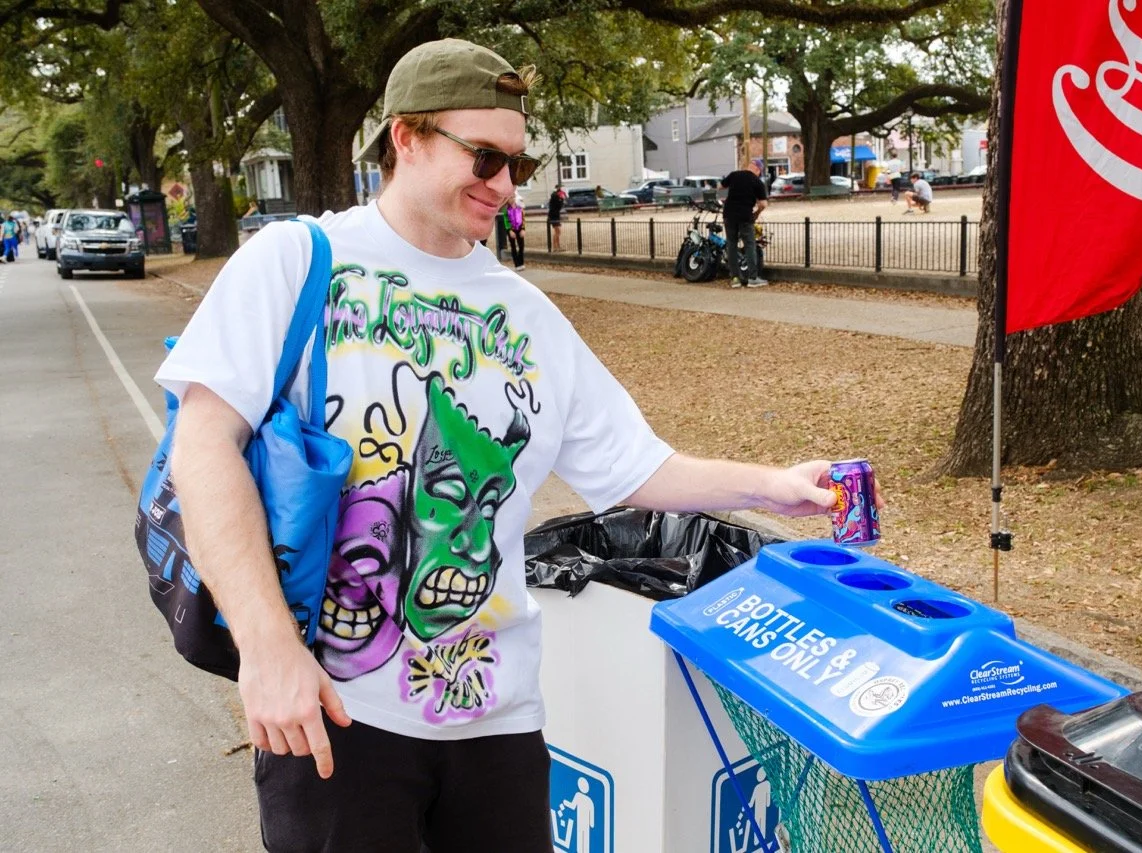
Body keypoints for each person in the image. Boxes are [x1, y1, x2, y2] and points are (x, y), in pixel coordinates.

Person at [155, 38, 850, 853]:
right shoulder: (296, 261)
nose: (505, 186)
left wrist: (772, 485)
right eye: (484, 157)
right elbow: (203, 448)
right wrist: (266, 649)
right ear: (405, 138)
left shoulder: (525, 312)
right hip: (337, 713)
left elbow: (635, 465)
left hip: (497, 722)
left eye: (520, 164)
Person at [719, 160, 769, 288]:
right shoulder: (758, 182)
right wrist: (757, 213)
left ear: (749, 166)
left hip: (729, 214)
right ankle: (752, 278)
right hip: (745, 216)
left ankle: (735, 278)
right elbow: (763, 204)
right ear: (758, 170)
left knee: (731, 244)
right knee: (749, 245)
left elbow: (721, 186)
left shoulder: (734, 175)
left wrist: (723, 200)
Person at [503, 191, 526, 271]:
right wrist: (509, 230)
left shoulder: (519, 206)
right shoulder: (506, 209)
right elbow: (506, 220)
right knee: (513, 247)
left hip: (519, 227)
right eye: (510, 197)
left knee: (521, 246)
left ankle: (521, 262)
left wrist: (523, 229)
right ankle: (517, 264)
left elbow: (523, 218)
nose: (512, 199)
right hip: (511, 229)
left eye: (513, 197)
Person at [548, 183, 565, 251]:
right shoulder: (555, 195)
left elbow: (559, 206)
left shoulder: (556, 195)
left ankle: (558, 247)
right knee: (557, 231)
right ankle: (555, 247)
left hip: (555, 215)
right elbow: (558, 205)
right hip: (554, 215)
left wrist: (561, 199)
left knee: (558, 231)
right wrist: (561, 199)